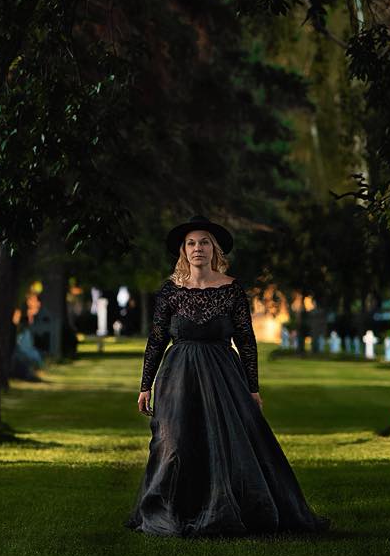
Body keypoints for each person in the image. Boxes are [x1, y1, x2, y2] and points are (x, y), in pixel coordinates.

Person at [126, 215, 330, 537]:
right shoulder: (170, 291)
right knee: (175, 443)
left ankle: (233, 509)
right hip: (178, 376)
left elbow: (246, 341)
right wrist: (144, 386)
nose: (198, 249)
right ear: (183, 251)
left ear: (214, 249)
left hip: (224, 375)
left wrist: (252, 388)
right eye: (191, 243)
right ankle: (171, 511)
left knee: (230, 442)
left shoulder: (232, 289)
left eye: (204, 242)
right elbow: (156, 339)